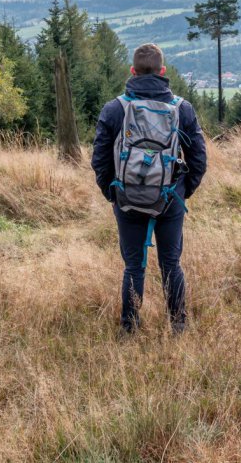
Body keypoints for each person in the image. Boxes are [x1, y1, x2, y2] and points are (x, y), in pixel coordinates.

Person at [91, 43, 207, 334]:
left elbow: (100, 160)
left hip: (127, 198)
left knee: (133, 266)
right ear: (163, 72)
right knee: (171, 263)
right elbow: (199, 160)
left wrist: (113, 194)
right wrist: (181, 191)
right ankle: (178, 324)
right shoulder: (182, 109)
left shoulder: (114, 109)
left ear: (132, 72)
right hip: (169, 197)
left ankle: (129, 327)